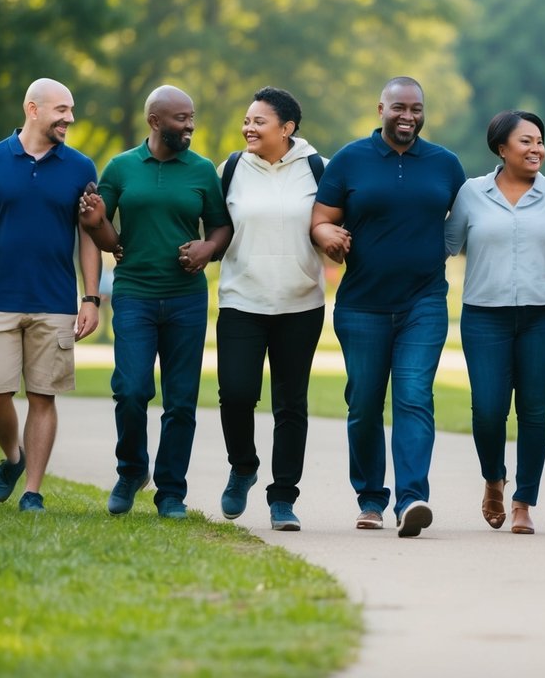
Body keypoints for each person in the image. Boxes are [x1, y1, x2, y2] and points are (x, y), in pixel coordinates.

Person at [310, 76, 465, 538]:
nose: (408, 117)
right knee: (363, 402)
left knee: (414, 396)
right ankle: (371, 499)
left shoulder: (445, 164)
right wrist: (326, 235)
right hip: (361, 304)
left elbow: (473, 215)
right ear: (381, 108)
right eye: (399, 107)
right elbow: (321, 217)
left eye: (416, 108)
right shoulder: (350, 159)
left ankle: (412, 497)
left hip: (424, 300)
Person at [79, 85, 230, 519]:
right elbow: (109, 238)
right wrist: (95, 222)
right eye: (181, 118)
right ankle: (130, 472)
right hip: (134, 295)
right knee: (130, 390)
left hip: (185, 300)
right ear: (155, 121)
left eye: (191, 116)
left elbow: (221, 229)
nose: (190, 125)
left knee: (181, 400)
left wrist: (207, 249)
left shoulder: (202, 171)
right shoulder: (122, 167)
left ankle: (171, 493)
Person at [0, 78, 101, 514]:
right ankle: (13, 459)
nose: (69, 118)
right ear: (33, 109)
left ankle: (33, 491)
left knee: (43, 395)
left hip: (55, 301)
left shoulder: (80, 167)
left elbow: (89, 236)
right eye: (61, 110)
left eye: (71, 109)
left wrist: (90, 297)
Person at [445, 111, 545, 535]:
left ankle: (523, 502)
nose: (536, 148)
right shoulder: (471, 193)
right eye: (525, 141)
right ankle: (493, 479)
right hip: (485, 315)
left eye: (539, 140)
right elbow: (445, 245)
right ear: (501, 149)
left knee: (535, 410)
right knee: (487, 410)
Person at [216, 87, 327, 531]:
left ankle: (283, 497)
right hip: (242, 300)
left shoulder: (320, 169)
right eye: (247, 120)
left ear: (287, 128)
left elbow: (335, 222)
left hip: (301, 304)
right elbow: (213, 225)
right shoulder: (230, 168)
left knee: (290, 403)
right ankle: (243, 465)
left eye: (259, 121)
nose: (248, 128)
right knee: (237, 394)